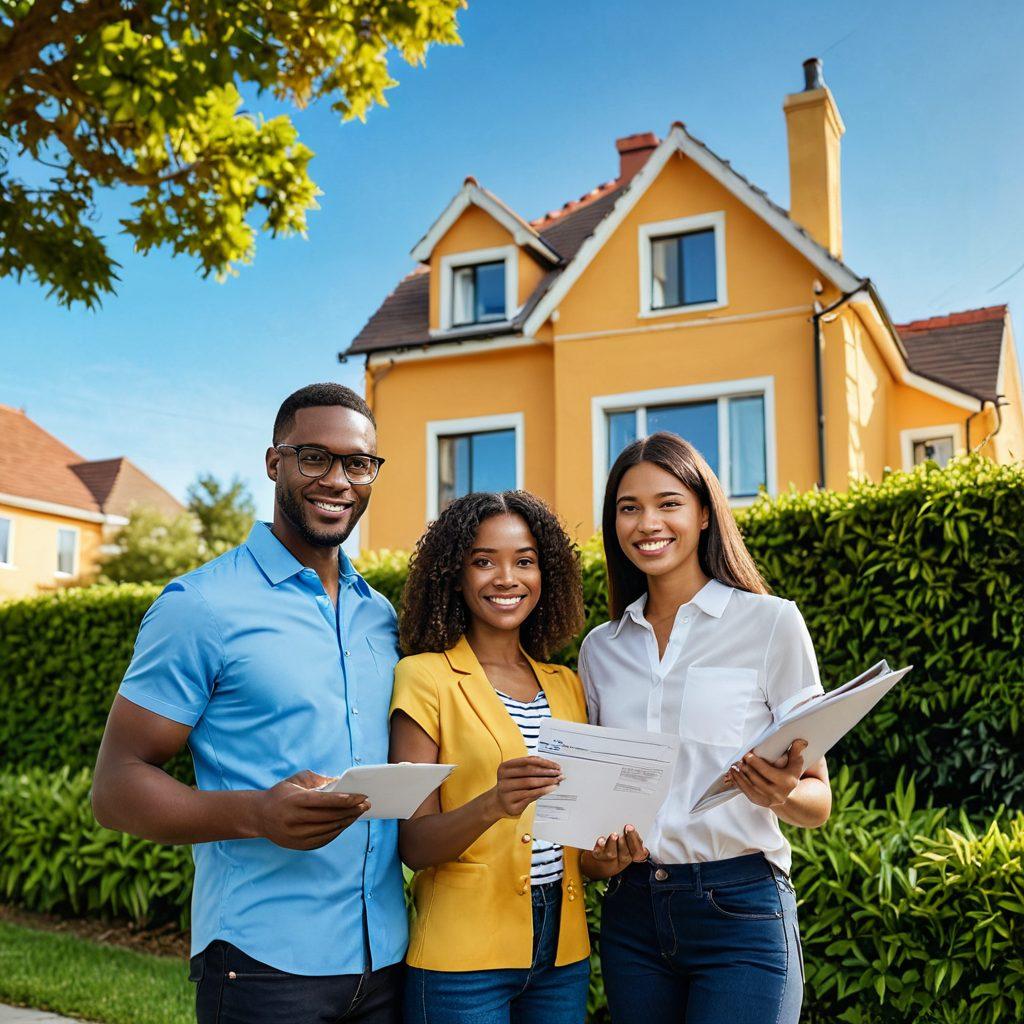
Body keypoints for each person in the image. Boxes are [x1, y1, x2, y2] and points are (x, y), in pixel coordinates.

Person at [91, 383, 407, 1024]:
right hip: (263, 967)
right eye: (314, 457)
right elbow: (116, 788)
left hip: (387, 962)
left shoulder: (381, 615)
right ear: (274, 462)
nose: (338, 480)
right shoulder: (199, 607)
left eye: (358, 463)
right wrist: (257, 813)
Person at [579, 432, 832, 1024]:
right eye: (628, 507)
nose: (648, 523)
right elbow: (595, 810)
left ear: (701, 512)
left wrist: (785, 792)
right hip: (633, 916)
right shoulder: (600, 649)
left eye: (668, 503)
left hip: (741, 908)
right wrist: (600, 858)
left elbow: (818, 800)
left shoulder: (771, 625)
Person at [389, 491, 646, 1024]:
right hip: (461, 958)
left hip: (562, 951)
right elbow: (413, 845)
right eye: (484, 561)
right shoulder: (424, 677)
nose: (507, 578)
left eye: (524, 561)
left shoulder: (568, 684)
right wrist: (492, 803)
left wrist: (609, 856)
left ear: (544, 574)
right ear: (453, 575)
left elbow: (575, 843)